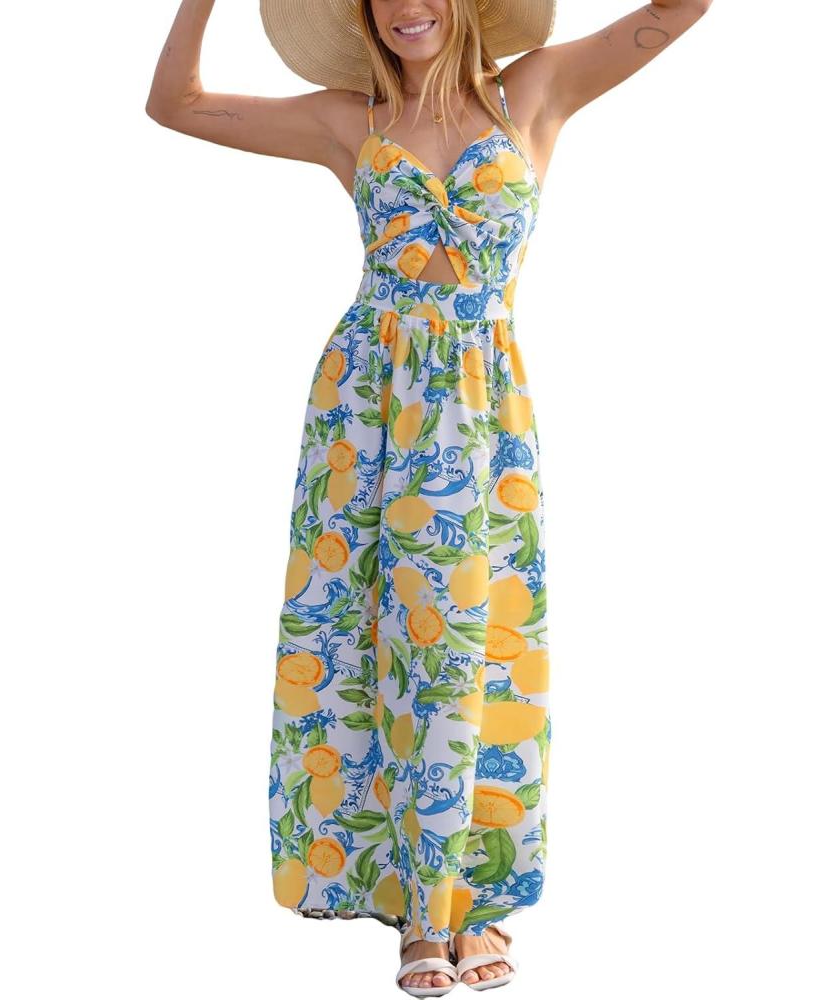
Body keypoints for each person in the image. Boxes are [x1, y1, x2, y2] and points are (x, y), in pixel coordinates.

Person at [146, 0, 712, 992]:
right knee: (372, 640)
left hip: (481, 409)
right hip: (367, 404)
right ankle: (416, 905)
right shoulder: (349, 121)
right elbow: (174, 104)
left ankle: (471, 902)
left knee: (477, 641)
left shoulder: (535, 92)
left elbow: (682, 9)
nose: (408, 4)